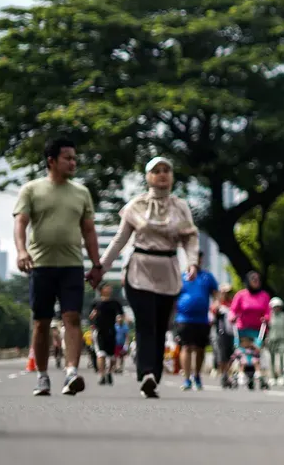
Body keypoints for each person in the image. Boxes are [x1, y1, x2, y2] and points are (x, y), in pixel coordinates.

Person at [101, 156, 200, 399]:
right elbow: (120, 240)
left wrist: (193, 262)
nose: (162, 174)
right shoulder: (136, 205)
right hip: (140, 269)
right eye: (156, 170)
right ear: (148, 177)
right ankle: (145, 372)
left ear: (172, 176)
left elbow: (190, 238)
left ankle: (154, 375)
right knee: (146, 322)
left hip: (168, 269)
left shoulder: (181, 207)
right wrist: (101, 267)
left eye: (167, 170)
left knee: (160, 324)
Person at [12, 137, 101, 397]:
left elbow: (89, 231)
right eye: (67, 158)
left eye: (74, 158)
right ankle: (42, 376)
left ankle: (72, 372)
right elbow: (20, 223)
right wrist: (21, 251)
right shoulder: (31, 189)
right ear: (51, 161)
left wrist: (97, 264)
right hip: (41, 266)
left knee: (72, 317)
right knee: (41, 322)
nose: (73, 162)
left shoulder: (81, 192)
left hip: (72, 265)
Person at [175, 251, 218, 391]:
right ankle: (187, 378)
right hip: (184, 319)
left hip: (202, 319)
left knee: (200, 348)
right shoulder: (181, 277)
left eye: (199, 259)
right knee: (186, 347)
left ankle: (197, 375)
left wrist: (216, 306)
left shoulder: (207, 277)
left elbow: (216, 295)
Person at [89, 283, 124, 385]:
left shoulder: (115, 303)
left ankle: (109, 372)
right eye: (106, 287)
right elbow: (91, 318)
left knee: (112, 357)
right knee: (101, 354)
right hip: (99, 331)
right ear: (101, 290)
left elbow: (120, 315)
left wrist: (120, 319)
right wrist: (92, 330)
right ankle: (101, 375)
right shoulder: (96, 303)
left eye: (110, 287)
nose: (109, 289)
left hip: (111, 331)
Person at [212, 285, 236, 386]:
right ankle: (224, 374)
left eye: (229, 292)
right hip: (221, 332)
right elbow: (213, 312)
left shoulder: (233, 304)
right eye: (225, 292)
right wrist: (219, 300)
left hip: (232, 332)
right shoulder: (218, 304)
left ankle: (228, 374)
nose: (227, 294)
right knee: (222, 355)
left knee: (232, 355)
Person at [265, 298, 284, 385]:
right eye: (275, 307)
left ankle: (281, 376)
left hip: (282, 340)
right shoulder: (269, 316)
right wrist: (265, 339)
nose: (277, 308)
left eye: (278, 306)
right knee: (271, 358)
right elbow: (266, 328)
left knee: (281, 357)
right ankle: (272, 377)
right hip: (271, 339)